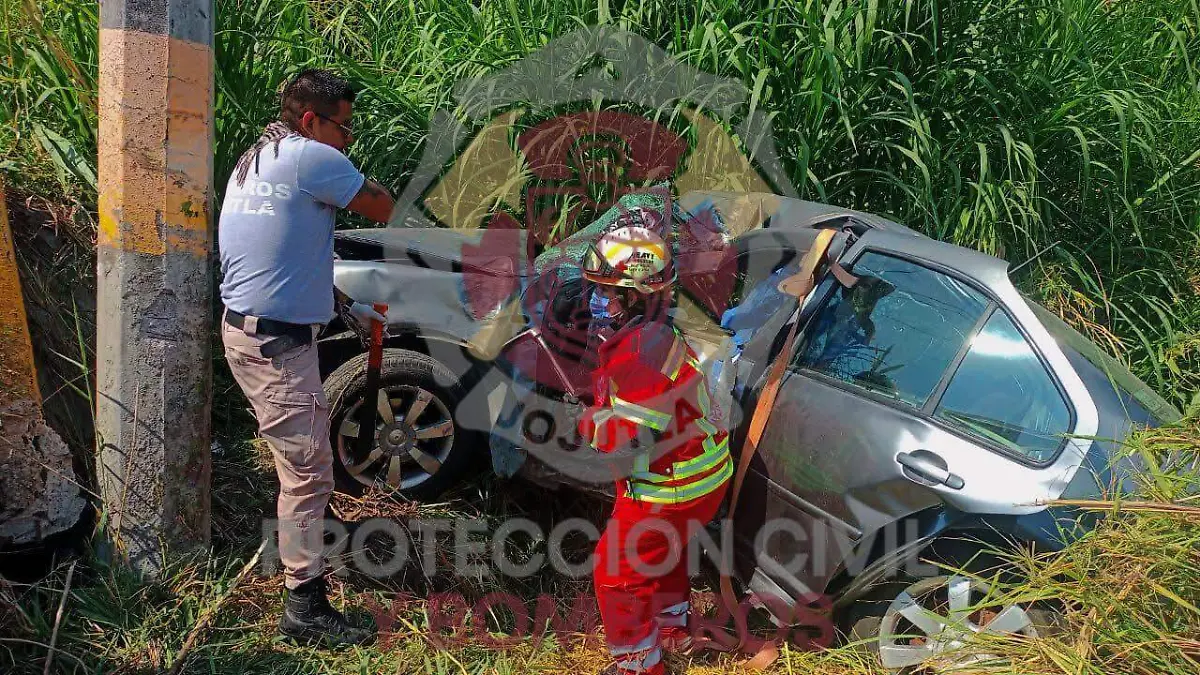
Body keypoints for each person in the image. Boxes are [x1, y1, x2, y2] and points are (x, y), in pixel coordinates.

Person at [218, 69, 394, 647]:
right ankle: (304, 605)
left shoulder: (258, 156)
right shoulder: (312, 159)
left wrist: (346, 309)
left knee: (299, 463)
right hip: (277, 346)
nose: (347, 139)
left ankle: (311, 530)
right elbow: (384, 208)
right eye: (342, 127)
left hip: (253, 334)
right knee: (308, 471)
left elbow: (287, 260)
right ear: (311, 120)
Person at [577, 209, 734, 675]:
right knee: (666, 555)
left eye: (607, 292)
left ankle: (638, 664)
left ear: (638, 295)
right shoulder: (655, 334)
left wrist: (585, 423)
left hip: (668, 487)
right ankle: (670, 627)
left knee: (616, 574)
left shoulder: (641, 354)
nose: (597, 301)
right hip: (703, 476)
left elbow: (631, 442)